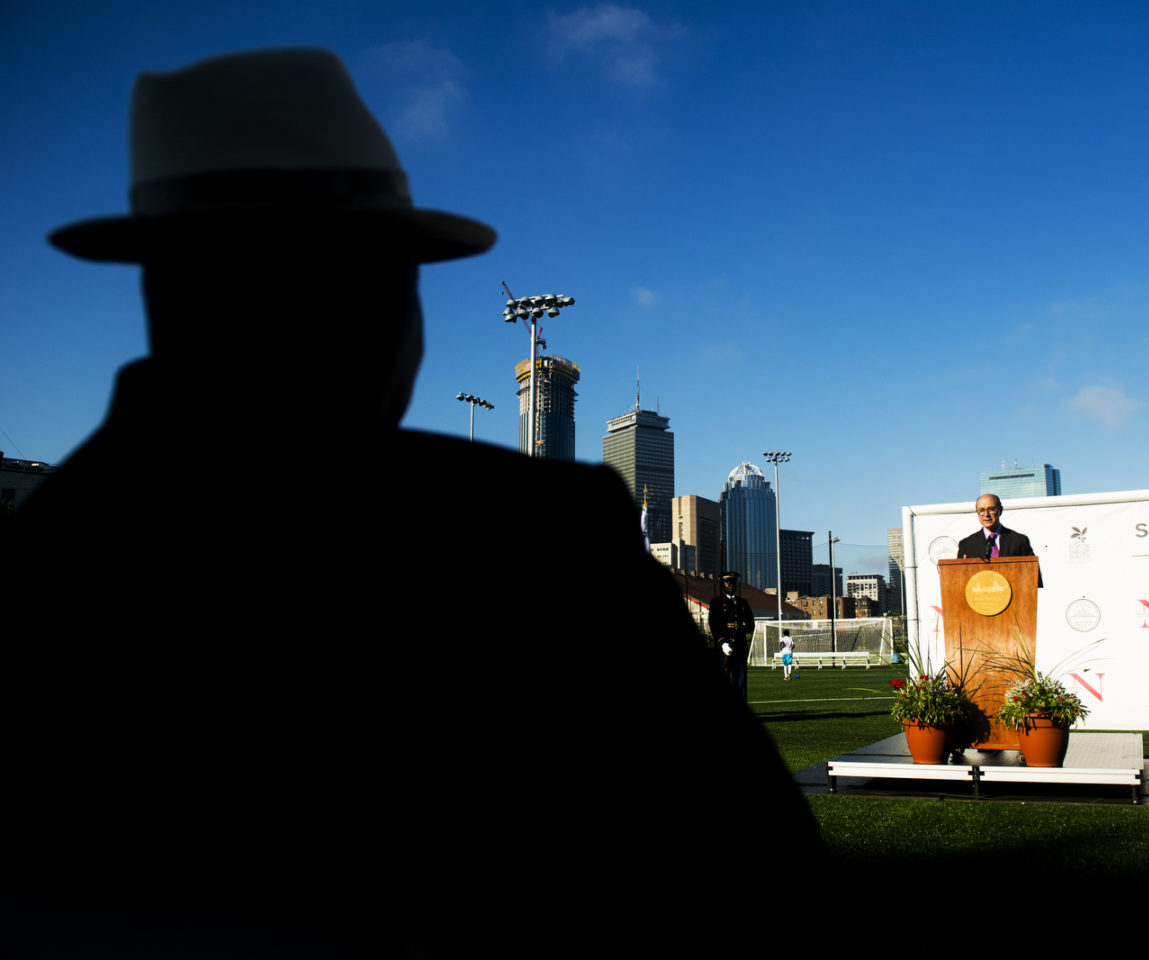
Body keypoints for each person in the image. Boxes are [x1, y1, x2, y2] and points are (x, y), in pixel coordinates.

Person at [4, 48, 820, 954]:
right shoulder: (533, 536)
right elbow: (758, 879)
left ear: (157, 284)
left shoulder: (40, 557)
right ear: (382, 294)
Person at [957, 493, 1043, 586]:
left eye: (991, 509)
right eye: (981, 510)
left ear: (1000, 510)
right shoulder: (966, 544)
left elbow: (1034, 578)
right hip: (978, 594)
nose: (986, 514)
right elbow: (959, 581)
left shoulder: (1019, 541)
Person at [709, 571, 755, 697]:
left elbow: (751, 625)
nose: (731, 585)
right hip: (723, 650)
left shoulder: (743, 602)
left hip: (740, 648)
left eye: (733, 582)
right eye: (728, 583)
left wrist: (739, 631)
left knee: (740, 684)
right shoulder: (716, 602)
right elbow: (713, 625)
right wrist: (722, 643)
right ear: (722, 584)